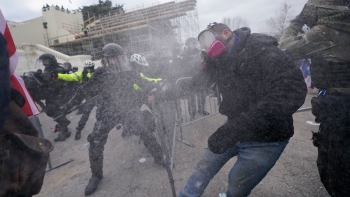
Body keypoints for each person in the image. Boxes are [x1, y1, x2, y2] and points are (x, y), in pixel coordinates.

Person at [178, 23, 307, 197]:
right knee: (204, 165)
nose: (208, 48)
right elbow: (197, 83)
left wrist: (243, 124)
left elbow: (292, 90)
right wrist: (167, 92)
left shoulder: (262, 50)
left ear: (226, 33)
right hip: (234, 126)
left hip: (267, 137)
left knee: (237, 184)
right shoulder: (220, 60)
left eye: (209, 40)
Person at [68, 43, 165, 196]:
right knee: (96, 141)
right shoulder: (100, 73)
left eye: (120, 58)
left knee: (145, 132)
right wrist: (70, 104)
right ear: (107, 60)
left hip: (128, 108)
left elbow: (143, 82)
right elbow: (85, 90)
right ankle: (96, 176)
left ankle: (159, 157)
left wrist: (158, 86)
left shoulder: (129, 71)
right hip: (107, 112)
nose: (118, 61)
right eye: (114, 59)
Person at [278, 1, 350, 196]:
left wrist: (296, 23)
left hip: (341, 108)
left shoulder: (328, 31)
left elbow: (284, 49)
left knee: (335, 172)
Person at [37, 53, 72, 142]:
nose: (44, 63)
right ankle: (64, 123)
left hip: (59, 96)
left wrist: (49, 85)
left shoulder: (58, 69)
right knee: (50, 112)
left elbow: (62, 83)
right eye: (43, 61)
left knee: (58, 114)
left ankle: (64, 131)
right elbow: (46, 80)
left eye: (45, 61)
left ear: (51, 60)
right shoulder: (46, 70)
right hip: (49, 96)